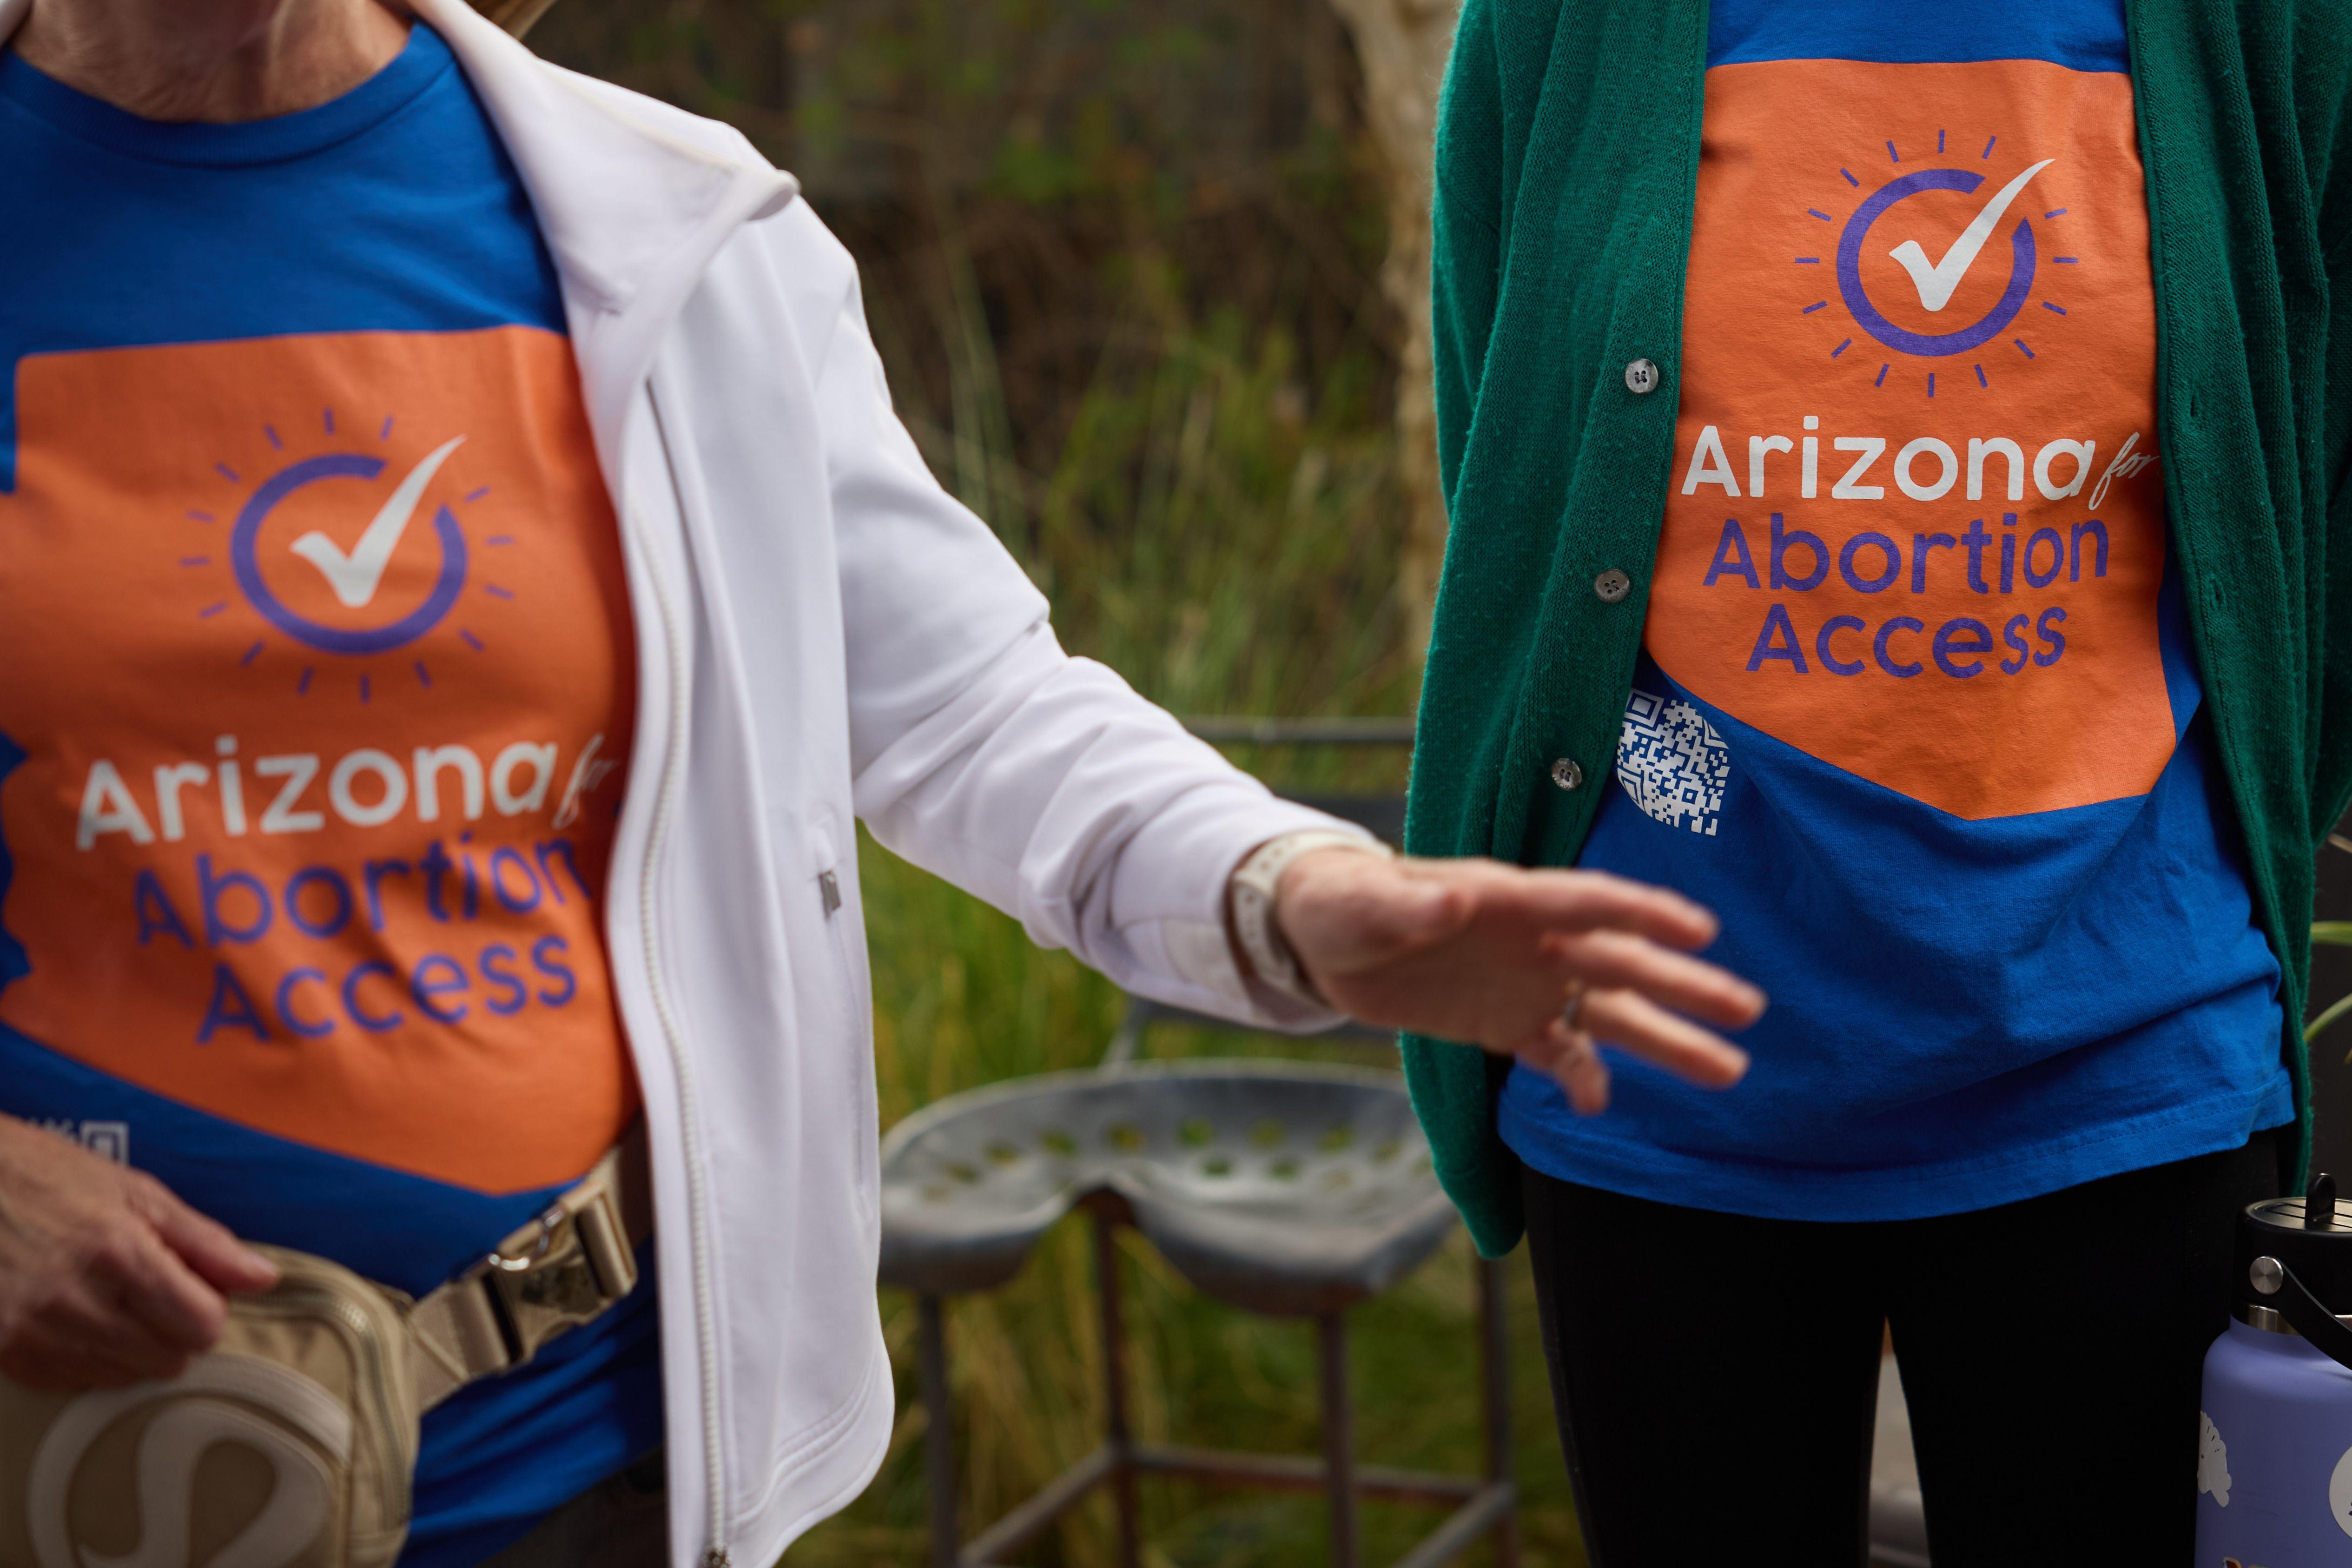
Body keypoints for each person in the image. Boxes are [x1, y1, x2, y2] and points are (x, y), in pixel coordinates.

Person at [0, 0, 1768, 1564]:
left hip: (585, 1460)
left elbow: (966, 707)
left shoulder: (668, 226)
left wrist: (1289, 895)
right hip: (53, 1463)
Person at [1405, 0, 2350, 1561]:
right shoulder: (1559, 26)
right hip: (1657, 1063)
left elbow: (2312, 498)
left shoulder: (2272, 31)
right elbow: (1514, 485)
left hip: (2121, 1072)